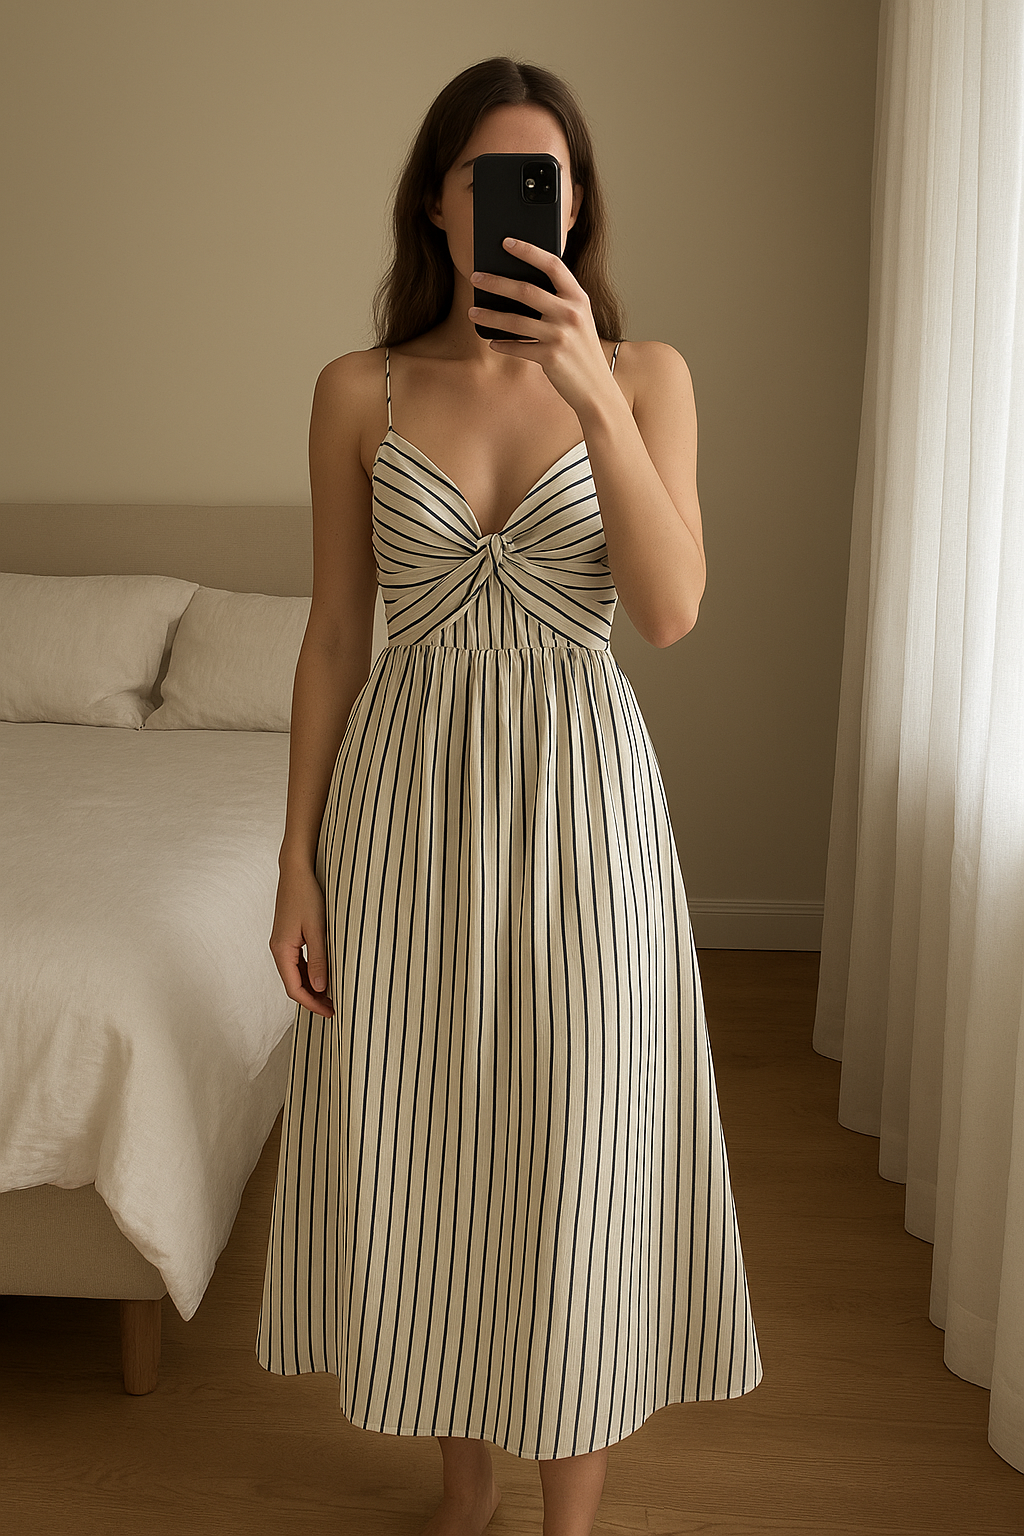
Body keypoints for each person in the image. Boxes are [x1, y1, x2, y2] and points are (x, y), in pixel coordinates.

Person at [258, 54, 763, 1536]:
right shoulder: (358, 390)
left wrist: (591, 390)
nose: (524, 204)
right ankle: (464, 1494)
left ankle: (568, 1522)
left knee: (577, 1147)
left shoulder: (648, 375)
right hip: (402, 815)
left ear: (579, 203)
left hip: (582, 816)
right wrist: (296, 864)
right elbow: (335, 636)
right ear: (438, 200)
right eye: (490, 178)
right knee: (428, 1142)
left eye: (550, 179)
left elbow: (669, 611)